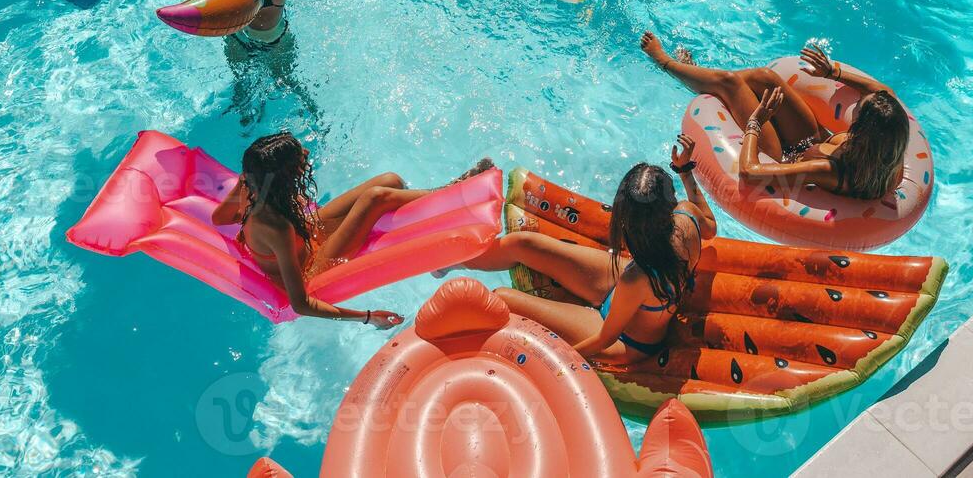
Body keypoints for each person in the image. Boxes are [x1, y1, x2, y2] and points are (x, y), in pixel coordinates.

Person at [456, 142, 717, 362]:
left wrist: (559, 363)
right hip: (629, 293)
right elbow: (711, 227)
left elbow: (605, 338)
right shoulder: (687, 216)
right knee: (521, 244)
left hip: (627, 339)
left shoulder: (637, 278)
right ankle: (454, 258)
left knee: (502, 298)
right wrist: (684, 170)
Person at [210, 132, 491, 327]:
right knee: (376, 199)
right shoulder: (277, 227)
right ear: (284, 176)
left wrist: (246, 180)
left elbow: (219, 218)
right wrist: (367, 317)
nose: (305, 155)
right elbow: (300, 303)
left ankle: (438, 224)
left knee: (389, 180)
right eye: (299, 158)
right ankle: (453, 191)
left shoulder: (252, 187)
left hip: (307, 233)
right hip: (314, 266)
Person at [640, 32, 909, 201]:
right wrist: (832, 73)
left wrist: (756, 122)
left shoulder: (829, 170)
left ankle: (666, 63)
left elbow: (751, 173)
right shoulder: (887, 151)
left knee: (731, 82)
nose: (855, 107)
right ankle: (701, 78)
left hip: (779, 155)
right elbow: (884, 92)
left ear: (863, 132)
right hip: (811, 141)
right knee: (765, 78)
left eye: (858, 112)